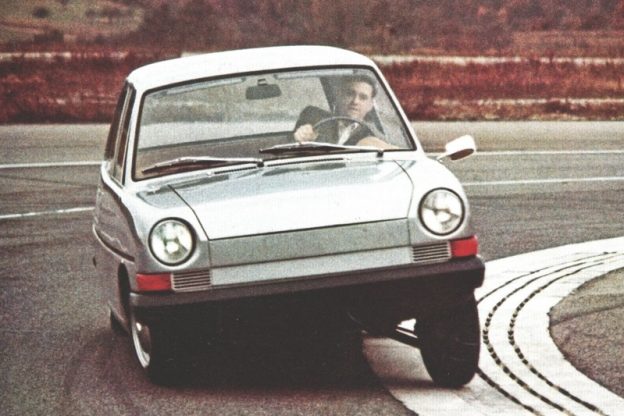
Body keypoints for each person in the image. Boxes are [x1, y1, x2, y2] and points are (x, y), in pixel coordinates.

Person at [293, 75, 396, 149]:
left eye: (363, 97)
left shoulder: (373, 135)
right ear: (340, 96)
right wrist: (302, 135)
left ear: (370, 106)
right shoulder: (314, 116)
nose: (355, 101)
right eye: (350, 94)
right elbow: (291, 144)